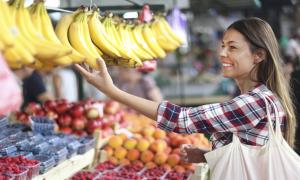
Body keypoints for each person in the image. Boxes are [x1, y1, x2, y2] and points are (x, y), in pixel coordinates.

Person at [75, 17, 296, 175]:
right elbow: (251, 148)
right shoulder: (262, 98)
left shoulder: (253, 103)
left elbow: (181, 119)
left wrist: (113, 92)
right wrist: (207, 154)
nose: (222, 53)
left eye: (232, 47)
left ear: (258, 55)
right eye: (222, 46)